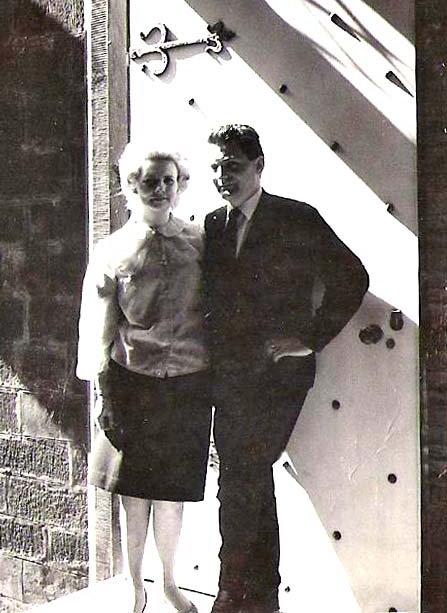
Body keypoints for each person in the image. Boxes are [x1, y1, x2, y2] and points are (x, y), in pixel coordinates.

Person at [203, 124, 369, 613]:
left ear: (258, 166)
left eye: (231, 166)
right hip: (230, 379)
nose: (221, 176)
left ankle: (231, 590)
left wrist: (309, 339)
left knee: (241, 473)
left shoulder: (296, 218)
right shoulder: (211, 224)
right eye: (215, 167)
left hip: (279, 378)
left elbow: (353, 276)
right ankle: (261, 596)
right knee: (247, 475)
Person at [77, 143, 211, 613]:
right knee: (133, 493)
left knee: (172, 493)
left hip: (189, 384)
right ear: (132, 186)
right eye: (149, 181)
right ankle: (136, 587)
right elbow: (98, 329)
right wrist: (102, 396)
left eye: (168, 181)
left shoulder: (200, 242)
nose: (159, 189)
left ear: (179, 187)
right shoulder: (111, 250)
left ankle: (171, 582)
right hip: (132, 383)